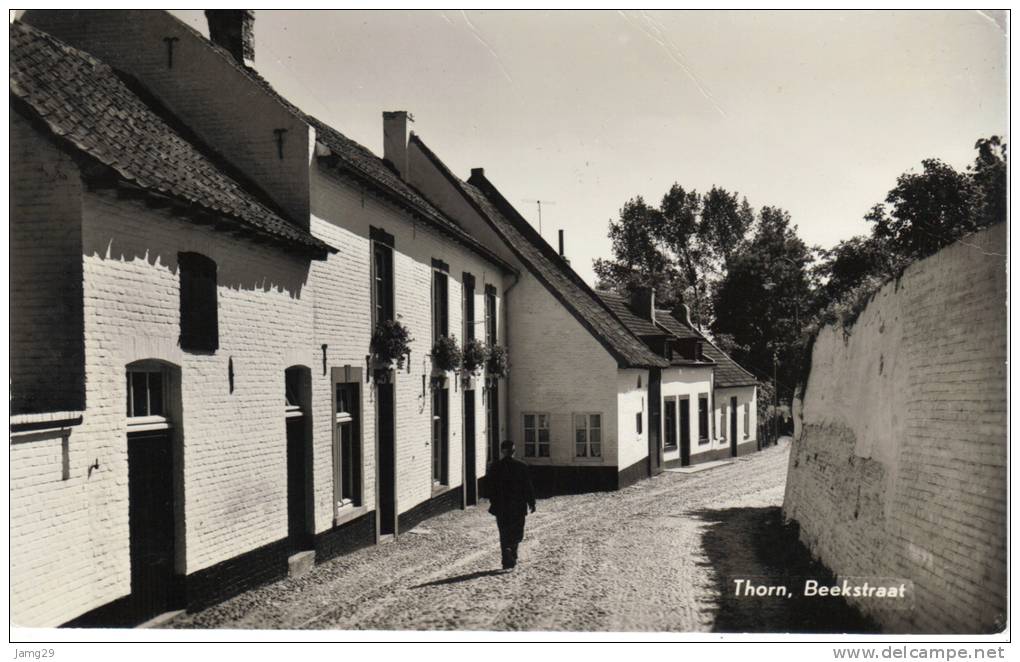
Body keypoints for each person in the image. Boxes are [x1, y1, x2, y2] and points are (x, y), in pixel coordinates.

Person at [487, 439, 536, 570]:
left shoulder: (495, 467)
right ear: (513, 451)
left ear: (502, 451)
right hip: (518, 506)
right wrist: (531, 502)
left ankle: (506, 558)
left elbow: (490, 488)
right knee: (517, 531)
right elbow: (528, 487)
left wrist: (494, 501)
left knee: (503, 532)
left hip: (501, 506)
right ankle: (512, 551)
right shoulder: (522, 466)